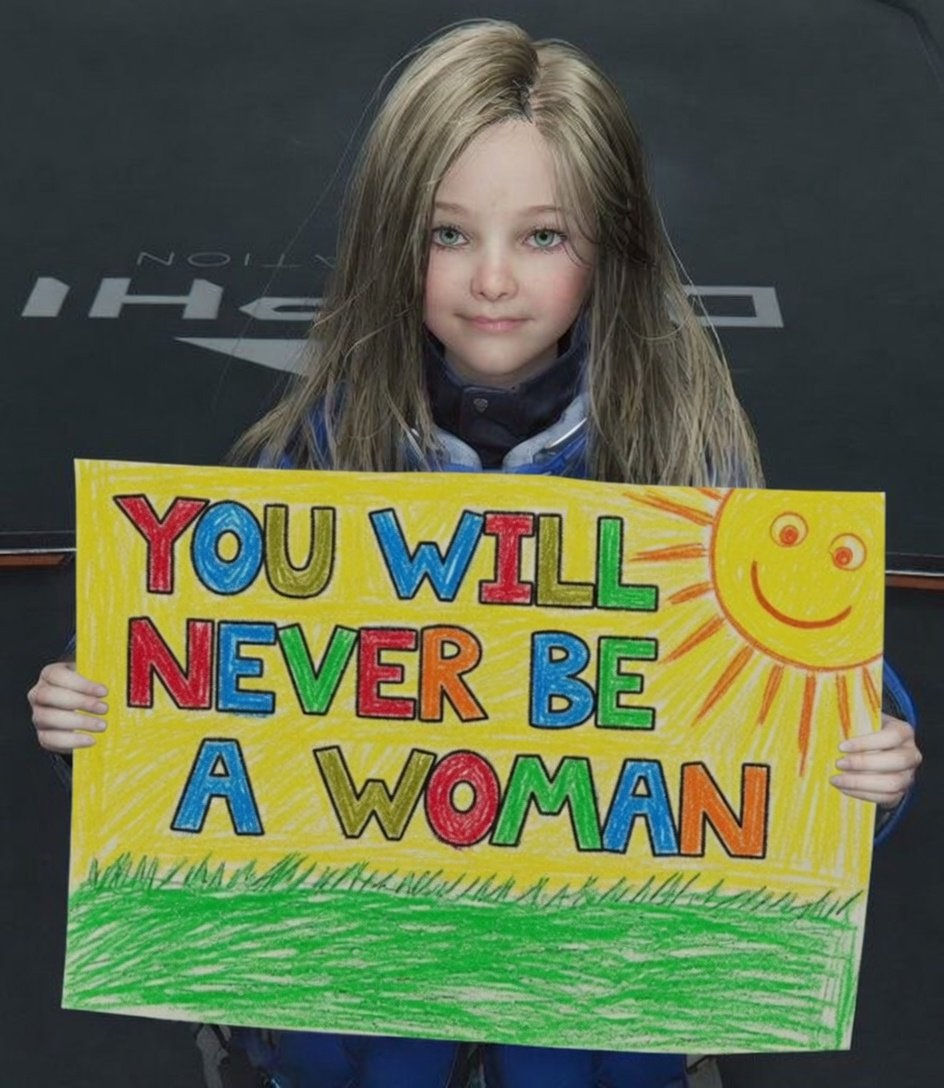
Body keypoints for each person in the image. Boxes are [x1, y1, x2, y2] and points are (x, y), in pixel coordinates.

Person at [28, 18, 922, 1088]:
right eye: (448, 234)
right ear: (391, 241)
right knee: (358, 1043)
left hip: (587, 924)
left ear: (610, 243)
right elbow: (200, 662)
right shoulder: (321, 440)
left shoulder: (687, 447)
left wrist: (871, 755)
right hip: (375, 909)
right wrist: (93, 709)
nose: (491, 279)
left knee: (579, 1055)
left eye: (542, 237)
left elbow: (787, 682)